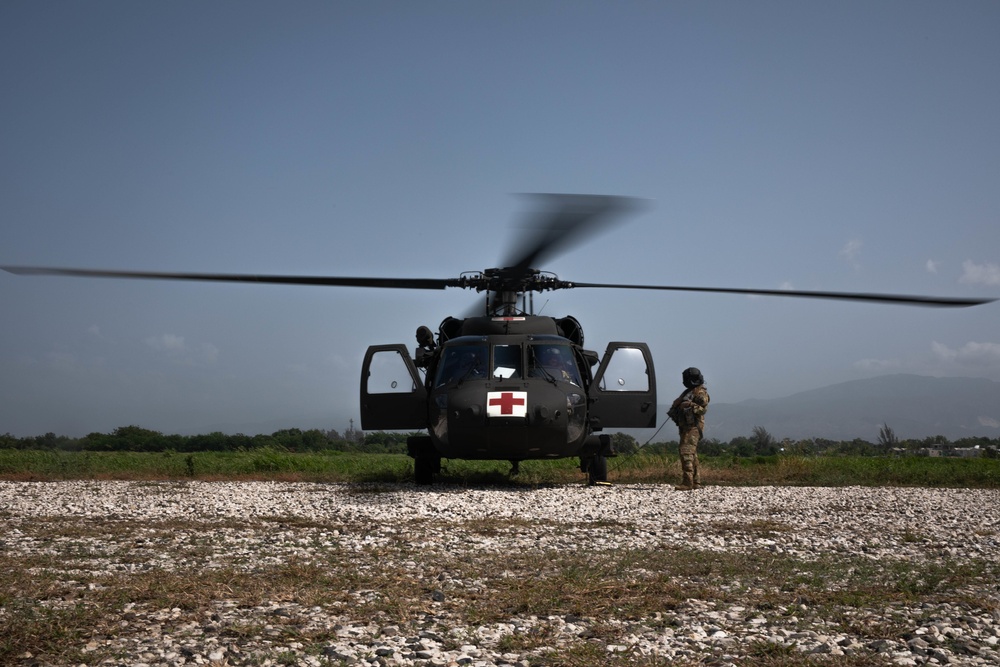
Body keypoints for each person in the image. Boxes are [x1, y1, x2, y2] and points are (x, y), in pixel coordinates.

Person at [667, 367, 710, 491]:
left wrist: (690, 405)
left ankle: (687, 482)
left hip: (693, 427)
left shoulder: (700, 393)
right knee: (692, 454)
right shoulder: (688, 392)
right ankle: (696, 482)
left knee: (686, 452)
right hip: (686, 426)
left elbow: (703, 410)